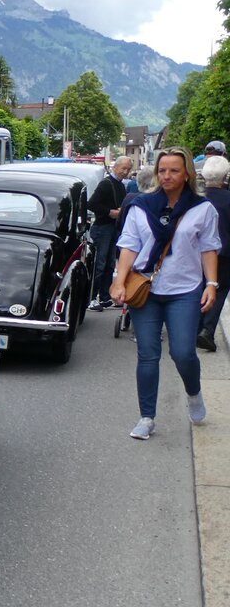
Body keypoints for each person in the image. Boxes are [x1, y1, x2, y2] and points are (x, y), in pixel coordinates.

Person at [110, 147, 221, 440]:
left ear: (187, 174)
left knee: (183, 352)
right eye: (162, 170)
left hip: (184, 289)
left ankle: (194, 393)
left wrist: (212, 284)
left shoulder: (202, 209)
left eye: (174, 170)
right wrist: (119, 282)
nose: (167, 176)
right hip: (144, 289)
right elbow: (129, 247)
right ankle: (147, 417)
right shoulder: (142, 206)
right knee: (148, 355)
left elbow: (209, 248)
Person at [88, 156, 133, 311]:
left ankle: (105, 296)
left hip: (113, 228)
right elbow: (92, 203)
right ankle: (92, 297)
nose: (125, 172)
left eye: (128, 169)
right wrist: (110, 212)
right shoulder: (106, 184)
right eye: (123, 168)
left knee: (109, 264)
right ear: (116, 167)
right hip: (102, 227)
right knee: (99, 264)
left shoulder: (120, 186)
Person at [197, 155, 230, 352]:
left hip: (198, 253)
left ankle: (195, 329)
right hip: (225, 254)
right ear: (225, 176)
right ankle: (207, 330)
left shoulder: (196, 198)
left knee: (199, 286)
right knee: (220, 289)